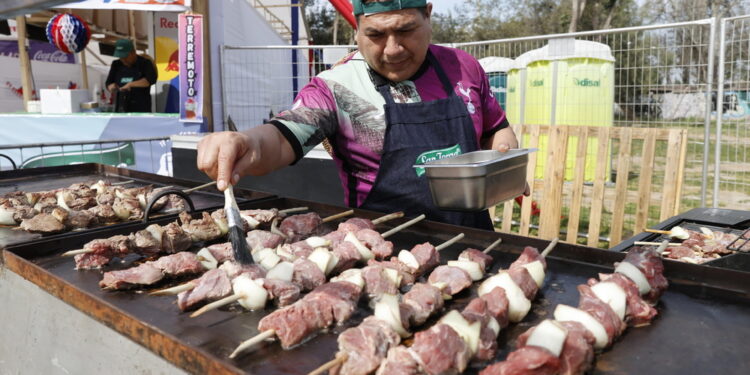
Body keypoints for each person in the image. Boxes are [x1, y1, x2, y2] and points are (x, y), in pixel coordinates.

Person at [197, 0, 526, 230]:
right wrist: (245, 141)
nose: (393, 49)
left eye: (406, 30)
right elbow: (282, 139)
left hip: (475, 242)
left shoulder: (463, 67)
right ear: (357, 29)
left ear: (428, 16)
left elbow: (496, 129)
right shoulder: (337, 86)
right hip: (384, 258)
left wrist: (505, 162)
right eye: (376, 35)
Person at [105, 39, 157, 112]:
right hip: (121, 108)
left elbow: (150, 80)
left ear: (133, 52)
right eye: (120, 57)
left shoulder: (145, 63)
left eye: (125, 57)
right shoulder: (116, 64)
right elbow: (108, 83)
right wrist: (111, 87)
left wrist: (131, 84)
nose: (123, 60)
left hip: (140, 109)